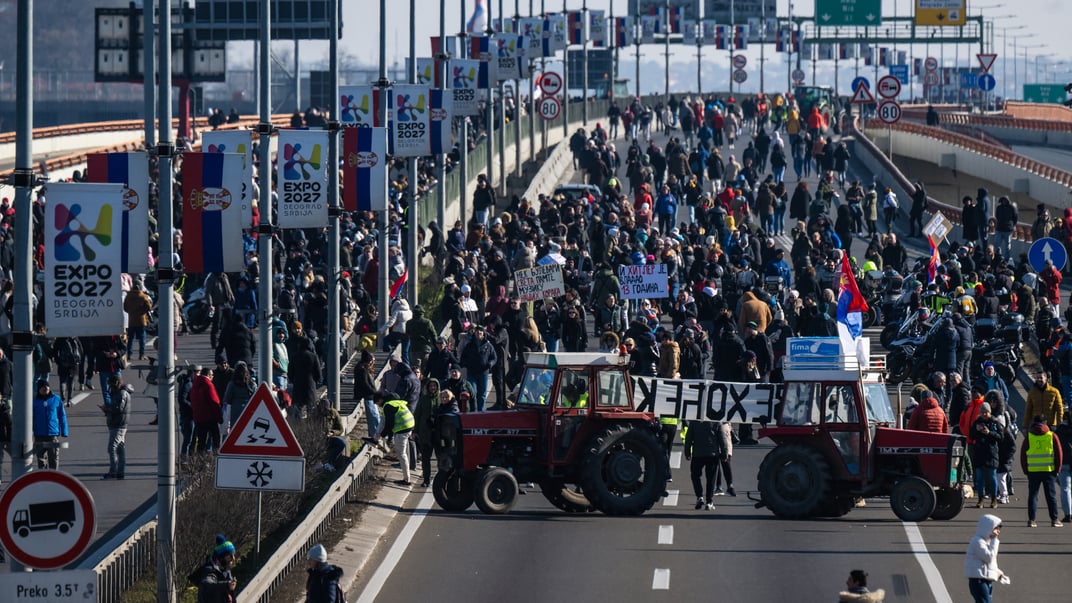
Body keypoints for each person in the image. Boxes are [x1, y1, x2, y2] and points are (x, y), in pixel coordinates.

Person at [1020, 414, 1063, 527]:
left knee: (1033, 496)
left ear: (1033, 423)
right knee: (1051, 496)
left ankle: (1032, 520)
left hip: (1033, 471)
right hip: (1049, 470)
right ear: (1045, 423)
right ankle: (1054, 520)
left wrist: (1025, 470)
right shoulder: (1052, 436)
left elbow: (1023, 455)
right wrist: (1057, 469)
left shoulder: (1029, 436)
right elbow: (1059, 453)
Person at [375, 390, 415, 486]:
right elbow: (385, 422)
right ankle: (407, 474)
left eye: (377, 402)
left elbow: (389, 424)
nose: (377, 405)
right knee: (404, 451)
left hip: (403, 428)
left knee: (401, 453)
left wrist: (383, 436)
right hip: (410, 424)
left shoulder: (387, 406)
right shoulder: (394, 401)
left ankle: (406, 479)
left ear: (380, 400)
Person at [964, 515, 1006, 603]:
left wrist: (999, 573)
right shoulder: (977, 542)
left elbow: (989, 564)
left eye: (999, 529)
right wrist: (995, 541)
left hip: (985, 579)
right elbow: (989, 557)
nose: (998, 532)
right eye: (996, 528)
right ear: (987, 527)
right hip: (978, 580)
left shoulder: (986, 542)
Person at [684, 420, 724, 510]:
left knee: (695, 475)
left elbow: (689, 437)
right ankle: (709, 501)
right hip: (712, 454)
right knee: (711, 479)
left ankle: (699, 496)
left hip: (697, 454)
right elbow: (722, 438)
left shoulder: (694, 422)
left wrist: (687, 452)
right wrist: (724, 453)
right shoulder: (716, 421)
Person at [969, 402, 1002, 509]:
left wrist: (989, 433)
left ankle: (994, 499)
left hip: (991, 453)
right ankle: (981, 499)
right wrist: (976, 430)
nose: (984, 414)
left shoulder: (995, 423)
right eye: (982, 412)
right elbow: (971, 436)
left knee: (992, 477)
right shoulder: (977, 422)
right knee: (979, 478)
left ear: (989, 412)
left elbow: (1000, 437)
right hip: (979, 453)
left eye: (986, 412)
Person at [100, 374, 131, 480]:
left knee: (112, 448)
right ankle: (120, 472)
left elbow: (119, 408)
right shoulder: (118, 393)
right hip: (117, 423)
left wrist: (107, 409)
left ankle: (113, 471)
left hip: (119, 424)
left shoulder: (122, 393)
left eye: (111, 385)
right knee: (120, 448)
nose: (110, 388)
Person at [32, 379, 67, 469]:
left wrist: (64, 431)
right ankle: (44, 478)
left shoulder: (56, 399)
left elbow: (62, 415)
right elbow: (31, 418)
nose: (46, 388)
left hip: (52, 434)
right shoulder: (34, 401)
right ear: (39, 389)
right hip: (39, 434)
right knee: (41, 459)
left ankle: (54, 478)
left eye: (47, 386)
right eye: (43, 387)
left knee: (54, 458)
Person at [193, 535, 238, 603]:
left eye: (233, 555)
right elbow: (207, 584)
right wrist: (226, 585)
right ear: (221, 558)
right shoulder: (209, 569)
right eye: (229, 556)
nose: (233, 559)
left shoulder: (225, 571)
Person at [190, 366, 223, 454]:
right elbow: (214, 401)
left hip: (198, 417)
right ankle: (215, 457)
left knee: (201, 441)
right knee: (216, 438)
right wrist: (219, 417)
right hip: (210, 417)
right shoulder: (208, 384)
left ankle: (200, 460)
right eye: (212, 375)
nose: (213, 377)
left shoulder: (195, 384)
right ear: (208, 375)